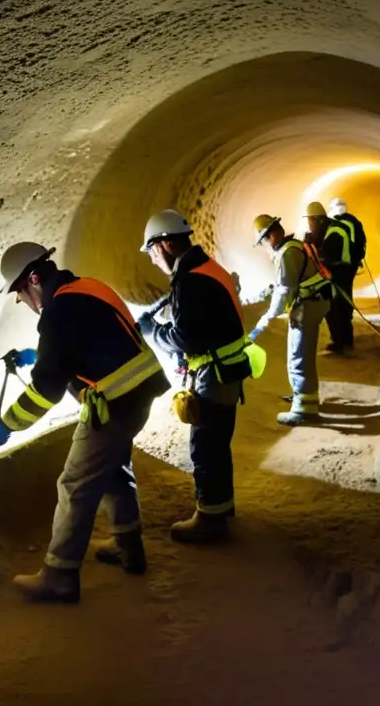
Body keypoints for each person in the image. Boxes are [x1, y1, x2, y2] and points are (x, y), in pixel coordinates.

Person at [0, 242, 170, 603]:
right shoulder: (87, 287)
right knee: (114, 469)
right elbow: (89, 343)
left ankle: (59, 576)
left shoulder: (57, 312)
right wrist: (36, 354)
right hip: (139, 394)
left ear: (34, 278)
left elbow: (46, 391)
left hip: (115, 403)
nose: (22, 301)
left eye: (20, 292)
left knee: (74, 484)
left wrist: (6, 425)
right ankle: (128, 547)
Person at [138, 209, 251, 543]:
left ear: (162, 245)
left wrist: (152, 331)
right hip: (226, 369)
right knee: (217, 444)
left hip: (214, 374)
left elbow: (186, 336)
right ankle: (221, 507)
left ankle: (210, 521)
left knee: (205, 446)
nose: (153, 260)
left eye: (151, 253)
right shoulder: (205, 267)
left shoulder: (191, 280)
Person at [248, 214, 331, 425]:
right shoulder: (294, 245)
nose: (265, 246)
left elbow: (285, 290)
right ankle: (303, 397)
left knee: (298, 357)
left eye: (264, 241)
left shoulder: (287, 253)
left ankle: (304, 409)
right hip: (315, 301)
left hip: (308, 306)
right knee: (303, 354)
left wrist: (266, 318)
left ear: (272, 235)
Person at [304, 201, 354, 355]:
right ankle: (343, 342)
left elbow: (325, 255)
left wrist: (312, 246)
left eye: (310, 220)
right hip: (341, 270)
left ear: (316, 219)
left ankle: (342, 344)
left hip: (340, 272)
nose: (309, 224)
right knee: (338, 306)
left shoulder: (333, 232)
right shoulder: (329, 228)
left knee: (336, 307)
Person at [328, 197, 367, 282]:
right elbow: (362, 241)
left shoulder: (330, 223)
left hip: (336, 264)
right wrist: (359, 258)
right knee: (347, 286)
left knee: (337, 287)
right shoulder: (354, 221)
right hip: (351, 264)